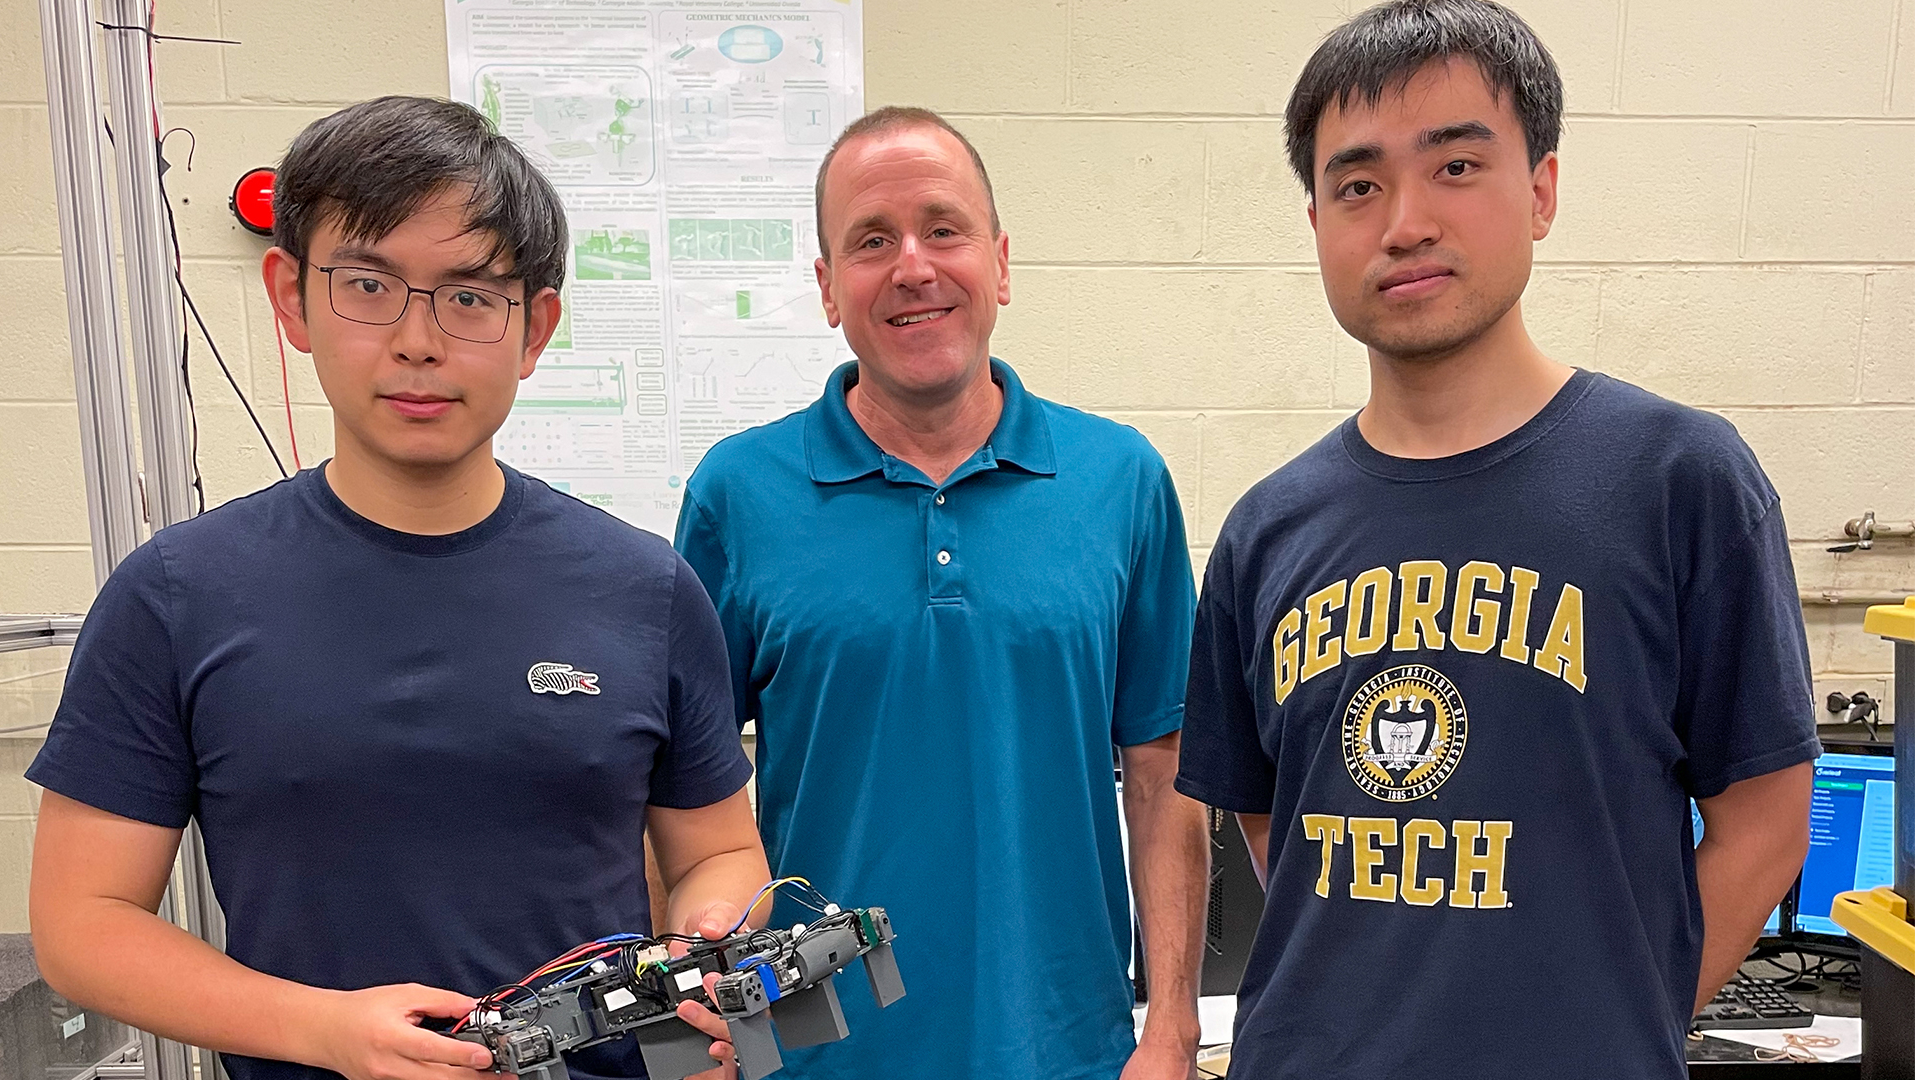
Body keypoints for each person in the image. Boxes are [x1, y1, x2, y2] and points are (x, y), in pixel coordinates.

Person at [27, 96, 768, 1080]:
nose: (419, 340)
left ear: (534, 327)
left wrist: (709, 942)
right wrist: (319, 1029)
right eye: (368, 285)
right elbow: (83, 921)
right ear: (291, 299)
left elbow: (716, 852)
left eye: (469, 296)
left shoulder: (644, 588)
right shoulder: (177, 596)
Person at [1175, 3, 1816, 1077]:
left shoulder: (1680, 480)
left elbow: (1764, 821)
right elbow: (1267, 825)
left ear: (1543, 191)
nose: (1406, 222)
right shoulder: (1266, 529)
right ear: (1321, 223)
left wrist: (1616, 1027)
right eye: (1358, 185)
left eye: (1457, 166)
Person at [672, 106, 1209, 1080]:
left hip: (1069, 1053)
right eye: (872, 241)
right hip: (809, 1059)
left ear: (1000, 263)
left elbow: (1164, 768)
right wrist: (696, 1035)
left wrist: (1171, 1027)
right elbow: (678, 796)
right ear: (829, 290)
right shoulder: (737, 494)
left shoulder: (1120, 479)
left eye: (943, 228)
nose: (913, 265)